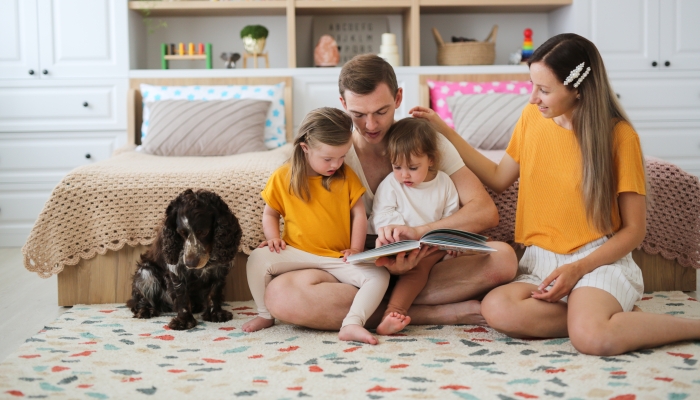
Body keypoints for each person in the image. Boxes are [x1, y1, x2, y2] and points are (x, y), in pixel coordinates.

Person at [410, 33, 700, 355]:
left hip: (597, 262)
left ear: (577, 88)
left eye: (544, 90)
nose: (533, 98)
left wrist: (577, 269)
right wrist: (446, 132)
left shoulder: (620, 137)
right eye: (532, 86)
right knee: (497, 309)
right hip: (540, 262)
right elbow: (498, 177)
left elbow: (634, 231)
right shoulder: (531, 118)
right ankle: (600, 316)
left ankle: (683, 326)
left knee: (592, 340)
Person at [263, 54, 519, 331]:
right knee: (281, 295)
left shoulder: (424, 141)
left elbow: (484, 211)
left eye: (381, 112)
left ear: (398, 98)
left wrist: (420, 233)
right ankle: (430, 314)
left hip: (425, 263)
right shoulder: (330, 153)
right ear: (343, 104)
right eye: (358, 115)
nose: (370, 125)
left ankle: (388, 308)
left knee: (502, 258)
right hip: (353, 273)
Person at [242, 107, 390, 345]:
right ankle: (264, 314)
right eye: (328, 158)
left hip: (337, 256)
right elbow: (270, 214)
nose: (337, 164)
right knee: (257, 259)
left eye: (342, 156)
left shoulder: (346, 176)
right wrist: (272, 238)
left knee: (379, 276)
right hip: (298, 251)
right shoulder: (284, 177)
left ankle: (352, 323)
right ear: (305, 148)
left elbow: (359, 215)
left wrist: (356, 248)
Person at [371, 117, 466, 335]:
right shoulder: (391, 184)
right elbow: (382, 216)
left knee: (484, 253)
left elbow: (450, 217)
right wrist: (396, 233)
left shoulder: (444, 183)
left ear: (431, 160)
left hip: (434, 247)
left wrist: (450, 241)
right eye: (397, 167)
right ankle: (392, 314)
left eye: (413, 168)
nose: (404, 175)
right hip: (403, 249)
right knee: (416, 271)